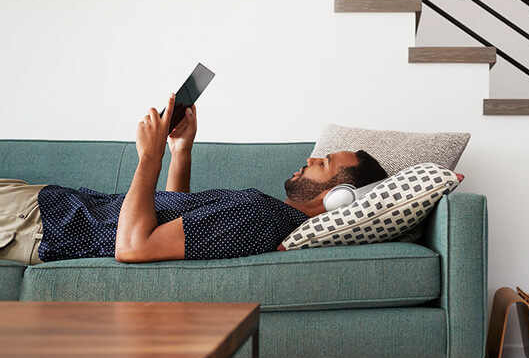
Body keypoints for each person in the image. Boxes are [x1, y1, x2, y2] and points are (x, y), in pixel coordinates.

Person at [0, 95, 387, 265]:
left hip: (39, 223)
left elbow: (135, 247)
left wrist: (149, 158)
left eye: (324, 163)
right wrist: (180, 152)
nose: (310, 158)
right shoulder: (266, 213)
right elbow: (167, 217)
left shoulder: (260, 217)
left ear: (338, 197)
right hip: (47, 206)